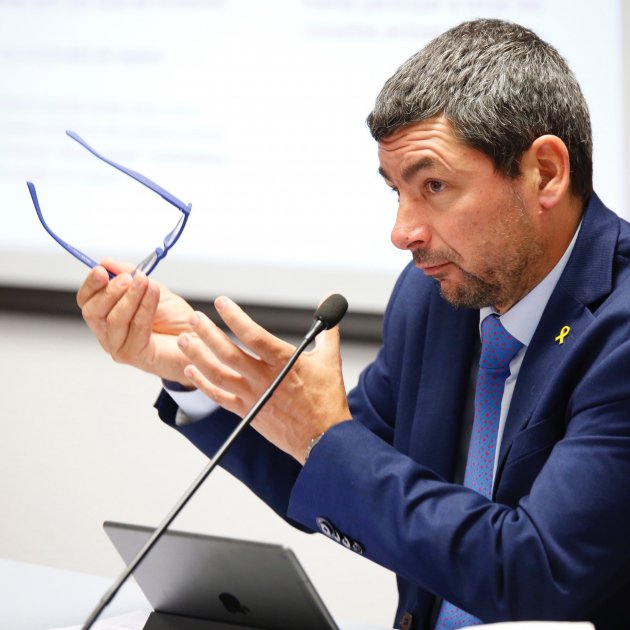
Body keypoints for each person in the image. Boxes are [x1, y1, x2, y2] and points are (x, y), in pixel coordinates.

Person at [77, 19, 630, 630]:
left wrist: (323, 435)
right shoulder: (433, 300)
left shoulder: (620, 330)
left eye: (434, 185)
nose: (401, 232)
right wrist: (198, 368)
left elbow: (536, 574)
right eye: (397, 191)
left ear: (545, 173)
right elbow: (327, 468)